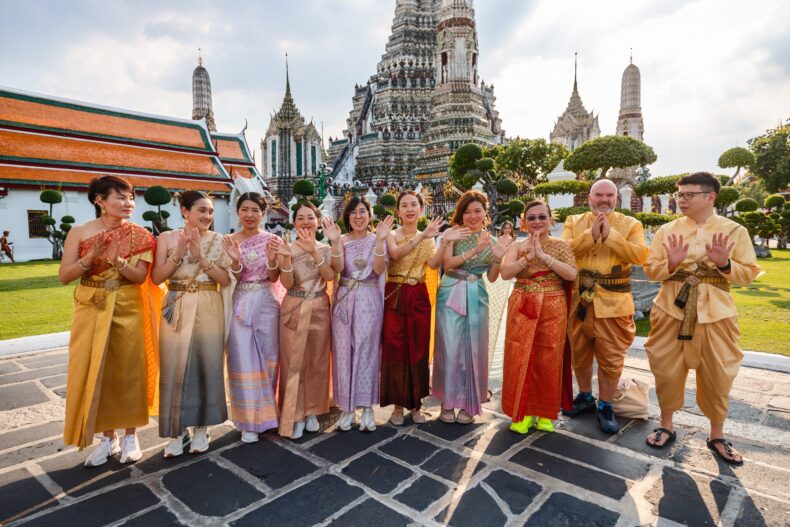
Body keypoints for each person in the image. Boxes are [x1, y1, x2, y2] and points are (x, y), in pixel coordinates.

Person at [643, 172, 759, 466]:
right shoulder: (668, 230)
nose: (681, 200)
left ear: (710, 197)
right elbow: (651, 270)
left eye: (688, 195)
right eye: (679, 195)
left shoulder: (734, 231)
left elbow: (748, 273)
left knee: (718, 375)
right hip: (671, 308)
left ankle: (717, 434)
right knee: (666, 370)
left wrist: (724, 263)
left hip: (716, 313)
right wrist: (670, 263)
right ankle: (666, 424)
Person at [58, 175, 158, 467]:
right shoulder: (79, 232)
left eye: (131, 198)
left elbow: (141, 278)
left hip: (128, 305)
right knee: (93, 369)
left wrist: (119, 261)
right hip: (91, 305)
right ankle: (106, 437)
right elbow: (65, 276)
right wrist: (92, 257)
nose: (129, 204)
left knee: (129, 370)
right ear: (99, 200)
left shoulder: (140, 234)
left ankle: (131, 436)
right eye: (121, 198)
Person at [561, 179, 650, 433]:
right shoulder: (574, 223)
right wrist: (590, 236)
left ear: (616, 198)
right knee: (579, 354)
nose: (604, 200)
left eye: (609, 195)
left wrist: (611, 237)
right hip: (579, 301)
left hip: (613, 302)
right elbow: (564, 250)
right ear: (589, 198)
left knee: (611, 358)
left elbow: (639, 255)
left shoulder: (631, 224)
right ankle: (586, 396)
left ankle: (607, 404)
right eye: (598, 195)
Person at [153, 191, 232, 457]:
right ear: (185, 211)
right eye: (201, 210)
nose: (207, 216)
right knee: (174, 366)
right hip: (177, 303)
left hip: (209, 302)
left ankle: (201, 427)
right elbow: (156, 278)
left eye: (210, 211)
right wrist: (180, 255)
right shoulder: (166, 238)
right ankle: (177, 431)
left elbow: (225, 280)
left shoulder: (219, 241)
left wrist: (200, 256)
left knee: (206, 363)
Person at [381, 191, 464, 426]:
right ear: (398, 211)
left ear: (421, 209)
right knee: (395, 348)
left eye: (414, 205)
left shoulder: (427, 238)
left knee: (418, 349)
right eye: (404, 205)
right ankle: (397, 405)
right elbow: (396, 254)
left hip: (418, 294)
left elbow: (435, 264)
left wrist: (445, 241)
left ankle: (416, 403)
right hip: (395, 294)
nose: (409, 209)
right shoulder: (392, 234)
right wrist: (422, 236)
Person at [434, 190, 512, 424]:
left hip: (477, 293)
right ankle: (447, 401)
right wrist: (475, 251)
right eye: (467, 211)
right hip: (450, 292)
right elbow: (447, 265)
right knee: (449, 347)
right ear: (460, 213)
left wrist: (498, 257)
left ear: (485, 213)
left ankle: (469, 402)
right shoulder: (454, 234)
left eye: (477, 211)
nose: (472, 216)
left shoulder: (494, 241)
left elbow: (494, 276)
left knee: (474, 348)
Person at [500, 200, 577, 433]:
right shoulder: (516, 246)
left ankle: (544, 413)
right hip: (523, 302)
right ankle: (521, 413)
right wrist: (527, 258)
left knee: (549, 357)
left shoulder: (561, 245)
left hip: (553, 305)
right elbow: (505, 273)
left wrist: (544, 257)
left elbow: (572, 273)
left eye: (542, 217)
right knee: (519, 354)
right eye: (531, 218)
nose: (537, 222)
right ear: (523, 222)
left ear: (550, 220)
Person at [221, 193, 283, 444]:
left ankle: (267, 416)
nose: (249, 215)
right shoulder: (228, 241)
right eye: (244, 209)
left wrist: (271, 260)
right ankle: (248, 421)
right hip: (241, 301)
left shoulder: (273, 240)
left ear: (263, 213)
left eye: (255, 210)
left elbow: (275, 277)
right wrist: (236, 262)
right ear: (238, 212)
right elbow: (231, 276)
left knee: (269, 357)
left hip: (267, 302)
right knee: (243, 359)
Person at [328, 197, 390, 432]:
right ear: (347, 217)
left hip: (368, 297)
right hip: (345, 298)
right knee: (343, 351)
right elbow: (336, 269)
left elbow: (377, 269)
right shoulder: (341, 240)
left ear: (370, 215)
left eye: (362, 211)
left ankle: (366, 406)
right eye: (353, 212)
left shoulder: (377, 240)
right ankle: (345, 407)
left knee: (367, 350)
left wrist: (381, 241)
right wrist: (334, 243)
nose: (358, 216)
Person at [275, 201, 335, 439]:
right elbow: (287, 284)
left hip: (320, 306)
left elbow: (329, 276)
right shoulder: (286, 248)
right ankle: (295, 414)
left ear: (318, 220)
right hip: (294, 307)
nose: (306, 222)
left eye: (310, 217)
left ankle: (312, 410)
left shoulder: (325, 248)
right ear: (293, 222)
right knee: (293, 363)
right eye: (300, 218)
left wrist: (312, 251)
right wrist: (287, 259)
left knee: (318, 361)